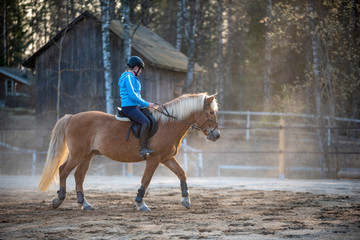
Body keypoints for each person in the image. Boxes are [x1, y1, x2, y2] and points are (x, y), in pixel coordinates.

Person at [118, 56, 156, 157]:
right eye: (140, 70)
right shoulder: (129, 77)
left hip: (135, 106)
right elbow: (133, 95)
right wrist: (147, 104)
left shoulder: (131, 77)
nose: (140, 72)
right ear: (135, 67)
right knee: (146, 122)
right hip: (129, 107)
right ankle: (143, 148)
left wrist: (144, 105)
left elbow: (136, 96)